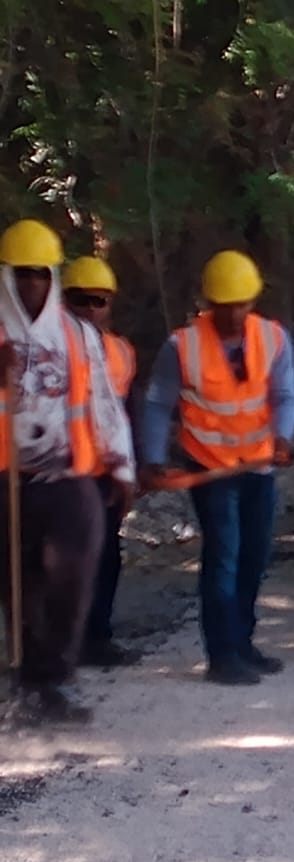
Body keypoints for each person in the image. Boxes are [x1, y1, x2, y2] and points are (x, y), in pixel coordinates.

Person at [138, 250, 294, 686]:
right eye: (224, 305)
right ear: (209, 302)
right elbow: (157, 405)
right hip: (210, 470)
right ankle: (222, 654)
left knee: (254, 556)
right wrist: (152, 460)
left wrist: (283, 436)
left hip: (258, 467)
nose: (233, 313)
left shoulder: (273, 339)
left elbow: (285, 396)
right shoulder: (183, 346)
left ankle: (243, 642)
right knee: (224, 556)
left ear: (253, 301)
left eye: (242, 304)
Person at [0, 219, 136, 725]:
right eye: (20, 274)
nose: (30, 284)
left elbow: (103, 402)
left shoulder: (78, 334)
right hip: (7, 480)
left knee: (73, 573)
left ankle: (55, 671)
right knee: (19, 585)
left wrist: (121, 465)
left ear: (53, 276)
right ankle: (32, 685)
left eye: (39, 273)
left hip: (68, 475)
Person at [61, 256, 142, 667]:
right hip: (59, 473)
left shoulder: (122, 353)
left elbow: (127, 414)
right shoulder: (48, 349)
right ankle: (56, 646)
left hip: (104, 475)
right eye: (80, 300)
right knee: (56, 562)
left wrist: (131, 468)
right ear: (64, 300)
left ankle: (97, 638)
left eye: (99, 301)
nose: (90, 309)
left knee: (107, 556)